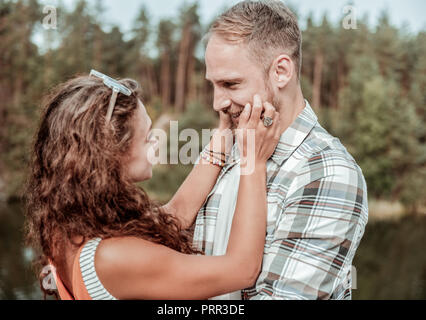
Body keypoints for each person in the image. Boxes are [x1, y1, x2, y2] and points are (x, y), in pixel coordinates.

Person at [25, 70, 281, 300]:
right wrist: (253, 161)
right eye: (148, 137)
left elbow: (176, 214)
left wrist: (225, 132)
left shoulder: (69, 226)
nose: (155, 142)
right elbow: (241, 270)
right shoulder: (113, 258)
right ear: (111, 152)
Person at [190, 0, 369, 300]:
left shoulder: (326, 172)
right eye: (213, 85)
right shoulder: (228, 149)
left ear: (281, 71)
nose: (217, 103)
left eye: (230, 84)